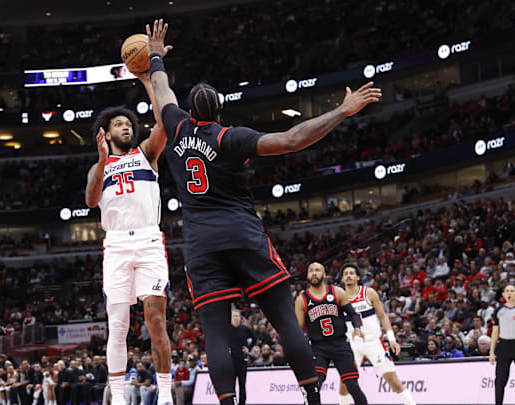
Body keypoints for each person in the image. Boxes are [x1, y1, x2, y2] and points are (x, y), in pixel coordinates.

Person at [144, 18, 381, 405]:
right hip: (243, 234)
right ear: (219, 111)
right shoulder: (230, 136)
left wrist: (156, 55)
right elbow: (291, 139)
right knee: (286, 320)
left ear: (189, 112)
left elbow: (161, 88)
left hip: (202, 245)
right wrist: (342, 111)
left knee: (216, 335)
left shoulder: (175, 125)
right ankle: (312, 398)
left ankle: (225, 401)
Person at [84, 67, 173, 405]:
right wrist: (103, 163)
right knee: (118, 325)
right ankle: (118, 397)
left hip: (149, 241)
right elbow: (91, 200)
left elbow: (164, 123)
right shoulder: (98, 167)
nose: (126, 127)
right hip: (117, 245)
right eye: (119, 124)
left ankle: (165, 395)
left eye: (129, 124)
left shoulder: (146, 153)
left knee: (155, 320)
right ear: (105, 133)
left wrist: (151, 84)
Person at [338, 264, 416, 405]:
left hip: (374, 342)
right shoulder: (339, 298)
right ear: (342, 278)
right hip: (352, 344)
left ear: (357, 277)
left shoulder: (369, 293)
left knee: (393, 381)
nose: (348, 275)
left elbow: (383, 316)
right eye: (345, 273)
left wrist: (392, 339)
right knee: (345, 382)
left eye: (351, 273)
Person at [296, 262, 368, 405]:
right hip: (318, 348)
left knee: (353, 386)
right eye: (311, 271)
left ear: (324, 275)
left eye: (318, 270)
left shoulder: (336, 292)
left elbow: (353, 315)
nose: (314, 273)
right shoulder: (302, 299)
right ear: (307, 276)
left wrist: (357, 328)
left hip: (340, 344)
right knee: (314, 387)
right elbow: (297, 330)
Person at [230, 309, 253, 405]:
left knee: (242, 384)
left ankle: (242, 403)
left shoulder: (245, 329)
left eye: (237, 316)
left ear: (240, 318)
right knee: (231, 384)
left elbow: (255, 338)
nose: (235, 318)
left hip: (242, 360)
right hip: (230, 360)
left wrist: (249, 348)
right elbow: (220, 341)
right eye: (233, 316)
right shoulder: (227, 329)